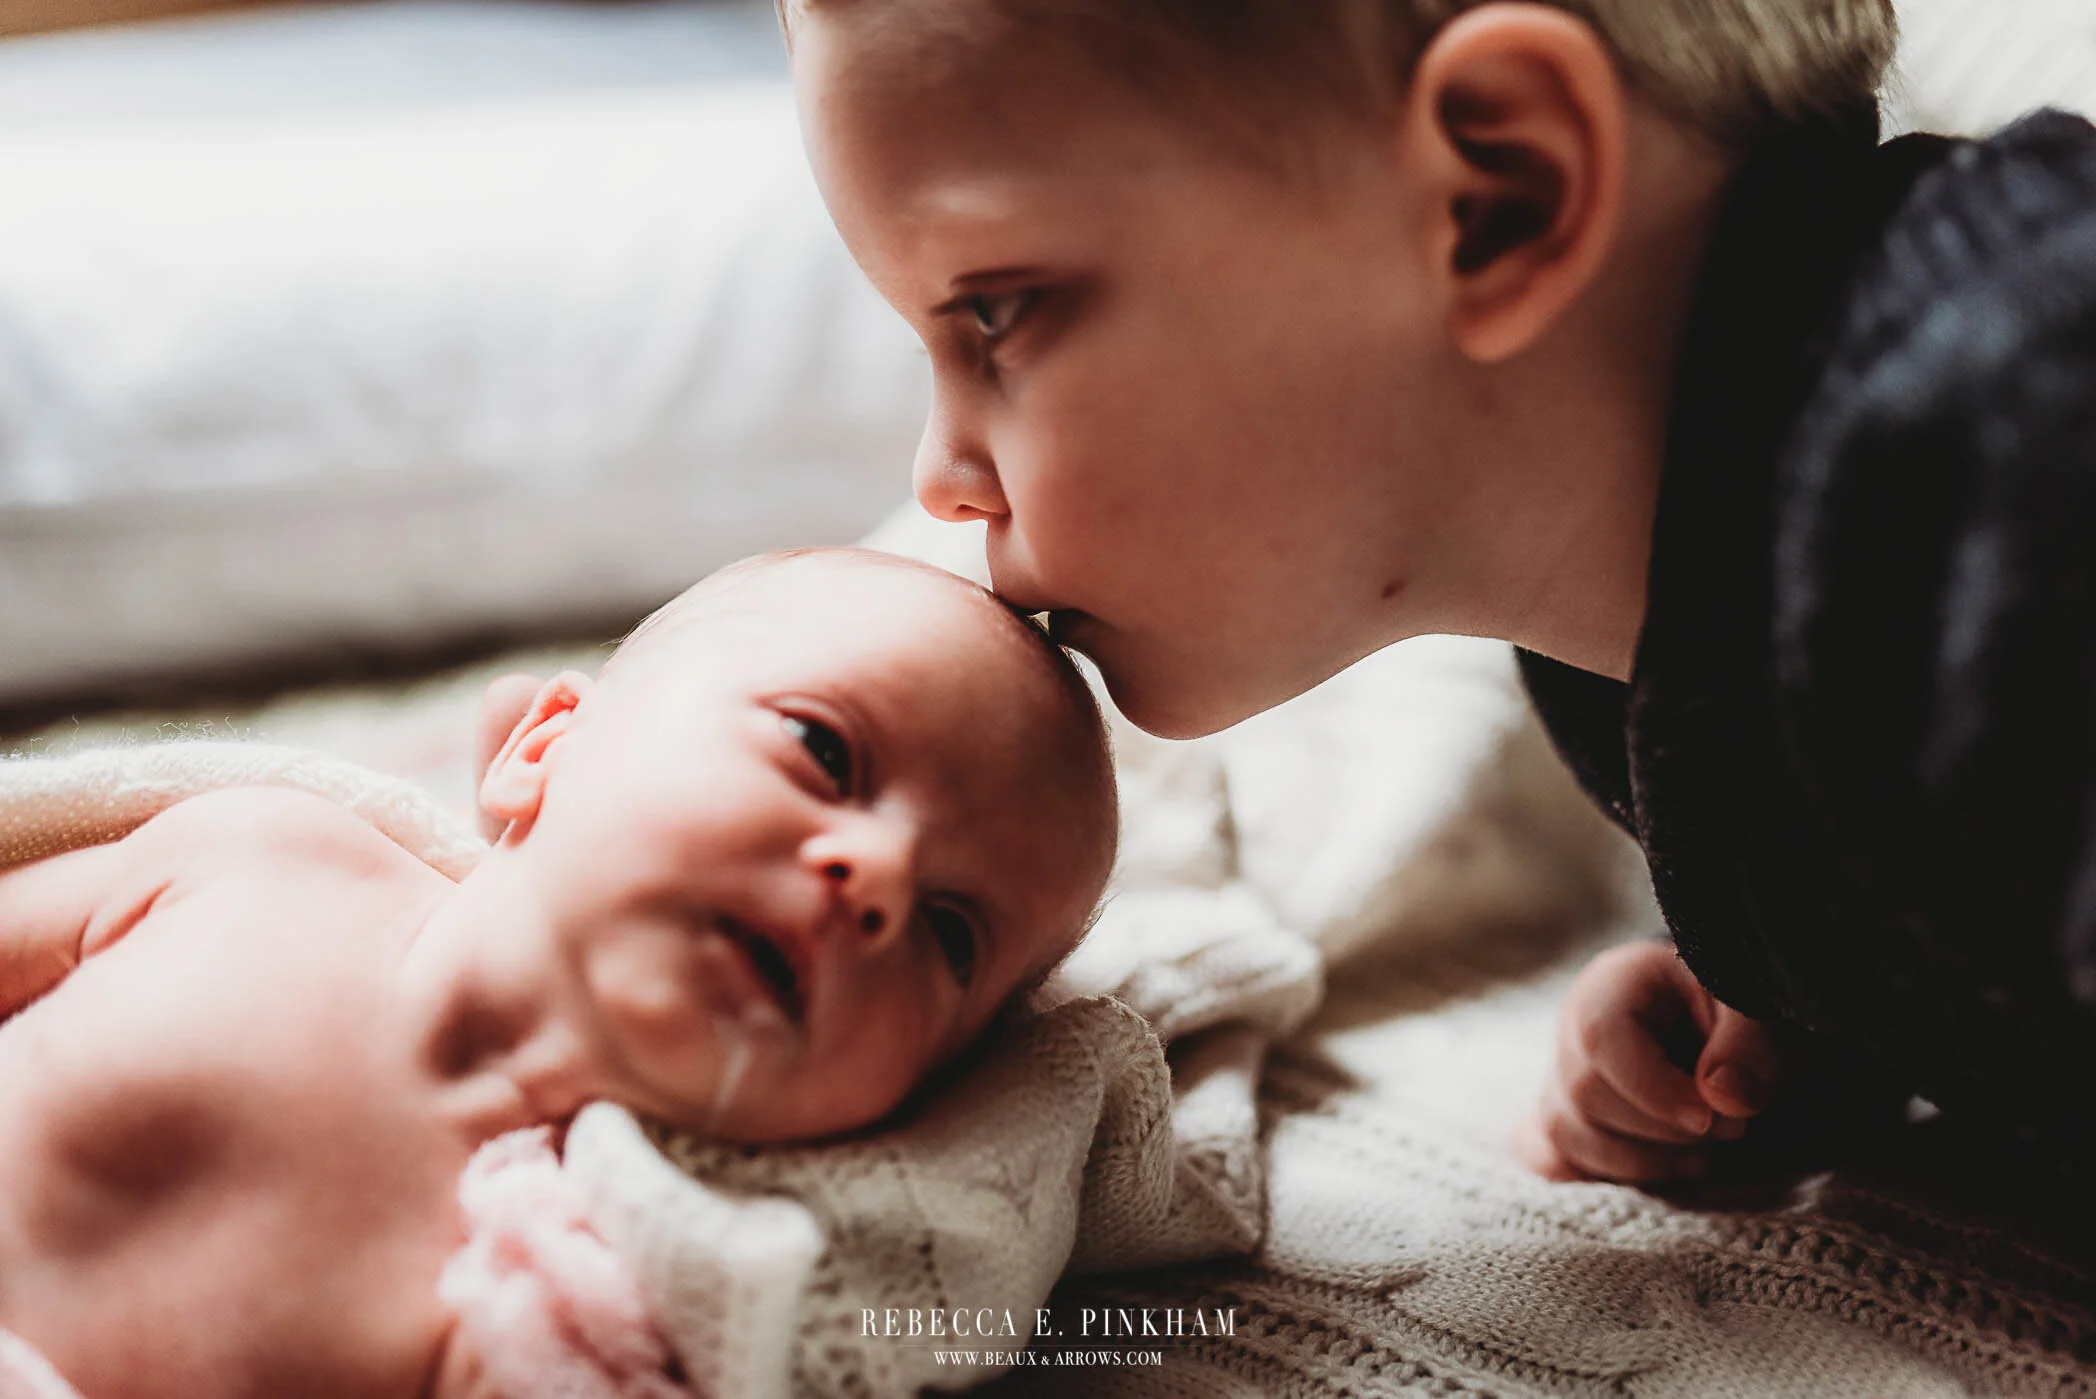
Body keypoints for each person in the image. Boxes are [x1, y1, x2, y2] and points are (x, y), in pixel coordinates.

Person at [705, 0, 2095, 1188]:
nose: (941, 477)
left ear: (1498, 195)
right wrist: (1805, 1020)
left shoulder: (2009, 428)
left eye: (995, 313)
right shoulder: (1656, 625)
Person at [0, 547, 1117, 1399]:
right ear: (542, 746)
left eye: (950, 934)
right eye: (825, 752)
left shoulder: (562, 1294)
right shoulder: (262, 859)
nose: (878, 881)